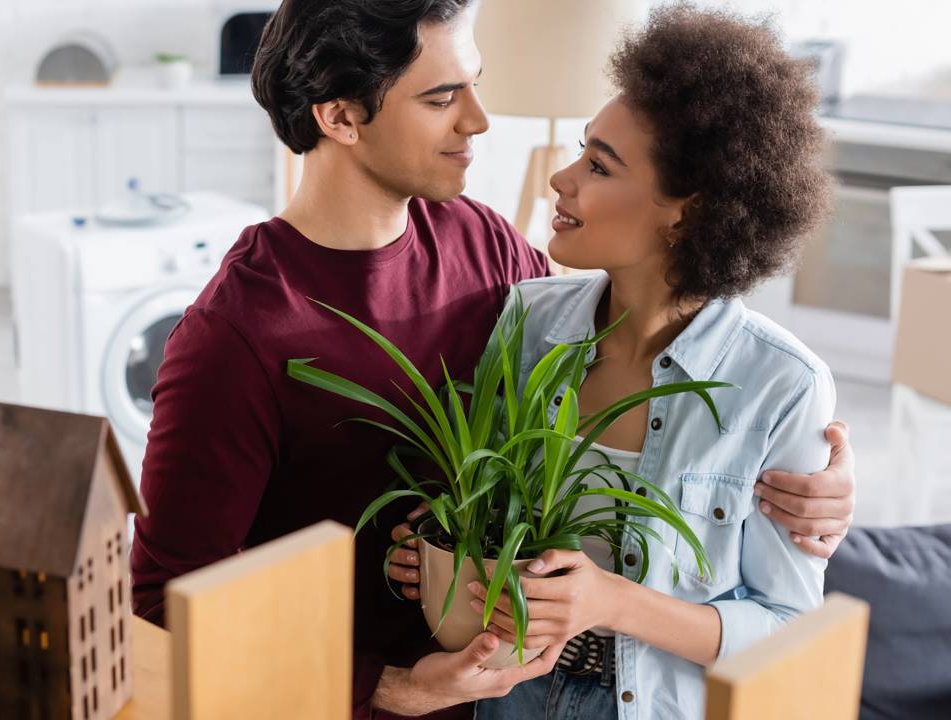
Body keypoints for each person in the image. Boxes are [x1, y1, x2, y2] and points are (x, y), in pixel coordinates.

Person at [130, 2, 857, 719]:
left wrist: (816, 483)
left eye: (474, 83)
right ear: (342, 117)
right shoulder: (236, 336)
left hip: (509, 696)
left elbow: (647, 345)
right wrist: (388, 687)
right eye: (443, 96)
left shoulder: (487, 250)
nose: (478, 120)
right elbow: (164, 601)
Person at [391, 5, 852, 718]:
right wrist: (432, 556)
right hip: (510, 694)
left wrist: (611, 602)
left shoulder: (781, 385)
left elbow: (790, 627)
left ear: (686, 213)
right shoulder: (525, 322)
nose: (561, 180)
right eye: (581, 151)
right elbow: (477, 512)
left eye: (599, 166)